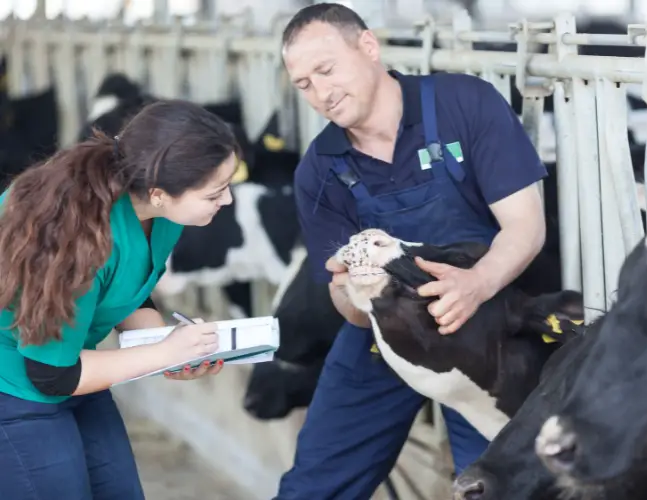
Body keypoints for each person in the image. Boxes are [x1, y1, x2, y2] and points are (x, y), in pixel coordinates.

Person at [277, 3, 548, 498]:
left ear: (368, 47)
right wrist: (355, 292)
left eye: (326, 69)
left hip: (484, 331)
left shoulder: (464, 104)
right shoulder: (318, 170)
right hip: (384, 339)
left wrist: (476, 284)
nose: (321, 93)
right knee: (313, 485)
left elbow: (526, 227)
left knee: (495, 486)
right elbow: (345, 304)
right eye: (304, 85)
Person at [0, 99, 241, 499]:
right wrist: (162, 355)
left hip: (68, 366)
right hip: (17, 383)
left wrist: (169, 347)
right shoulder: (77, 238)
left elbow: (127, 292)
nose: (228, 200)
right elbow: (50, 373)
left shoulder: (161, 216)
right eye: (216, 192)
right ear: (160, 192)